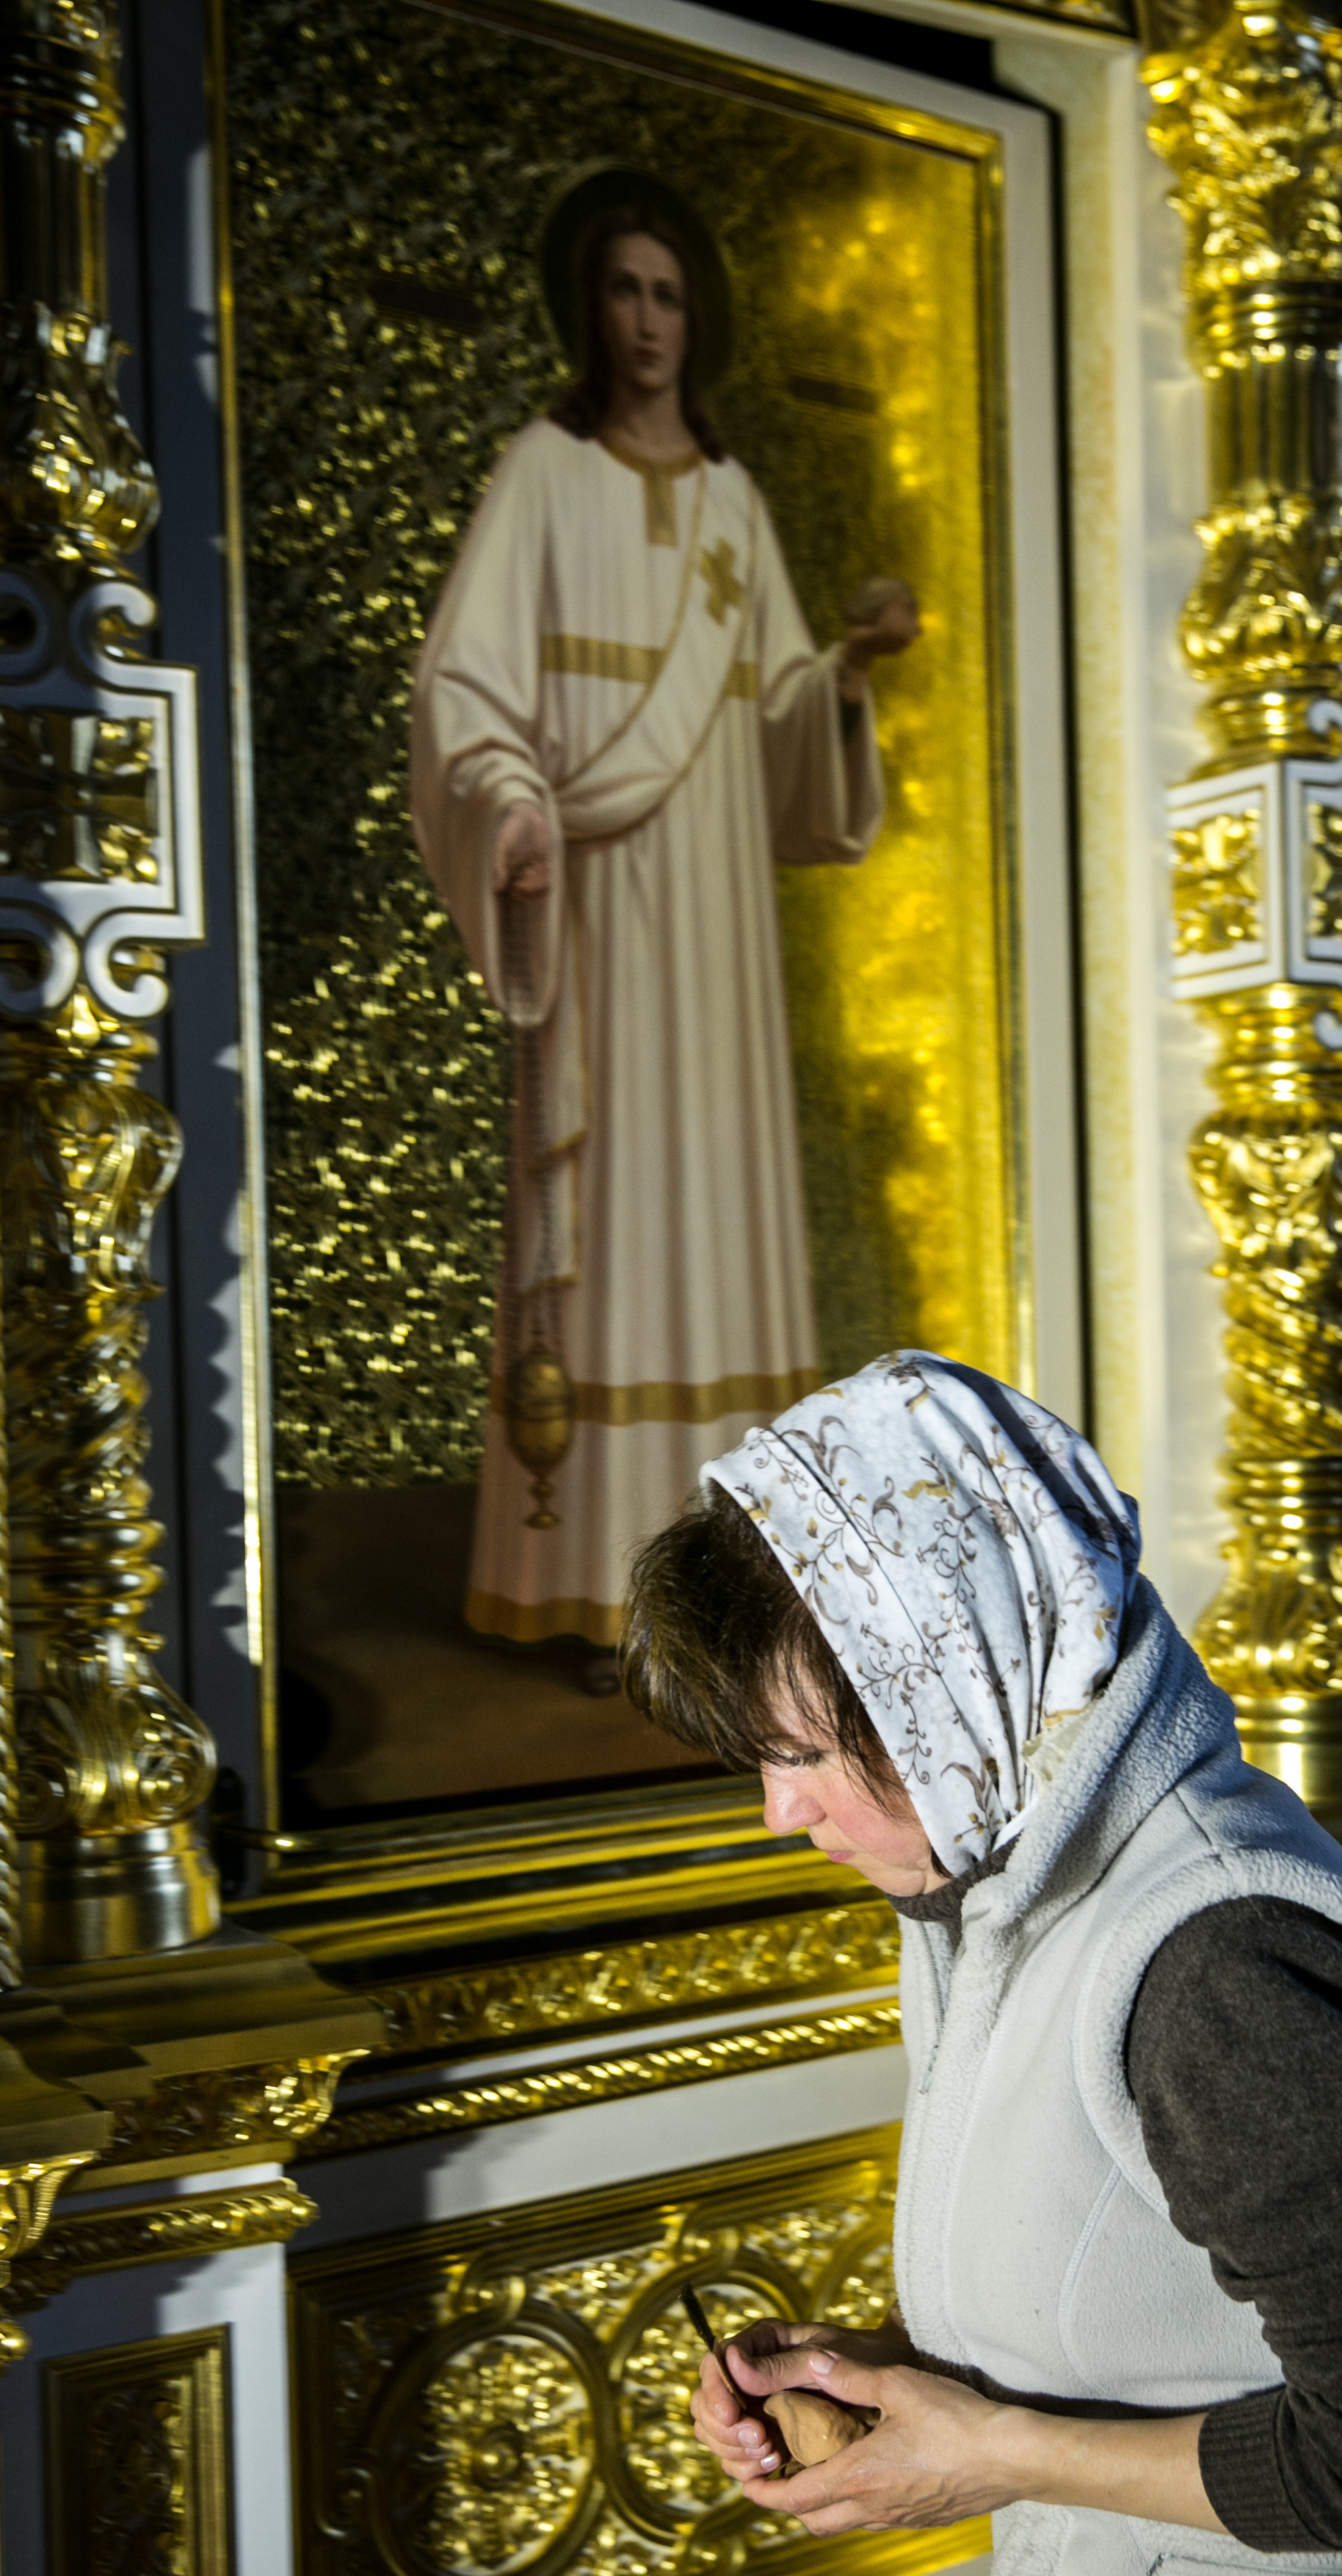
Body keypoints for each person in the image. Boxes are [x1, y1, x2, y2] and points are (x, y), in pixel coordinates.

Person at [621, 1353, 1342, 2576]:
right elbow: (1148, 2299)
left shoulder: (1223, 1961)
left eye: (808, 1752)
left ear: (965, 1674)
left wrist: (987, 2455)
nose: (779, 1811)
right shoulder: (999, 1885)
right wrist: (881, 2371)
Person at [410, 173, 918, 1680]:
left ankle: (738, 1589)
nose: (645, 321)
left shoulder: (731, 505)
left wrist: (843, 674)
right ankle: (596, 1583)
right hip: (601, 906)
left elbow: (778, 729)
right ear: (590, 308)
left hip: (715, 920)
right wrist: (509, 801)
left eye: (669, 295)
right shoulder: (543, 474)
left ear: (700, 318)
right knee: (617, 1221)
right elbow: (463, 688)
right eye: (623, 291)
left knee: (720, 1201)